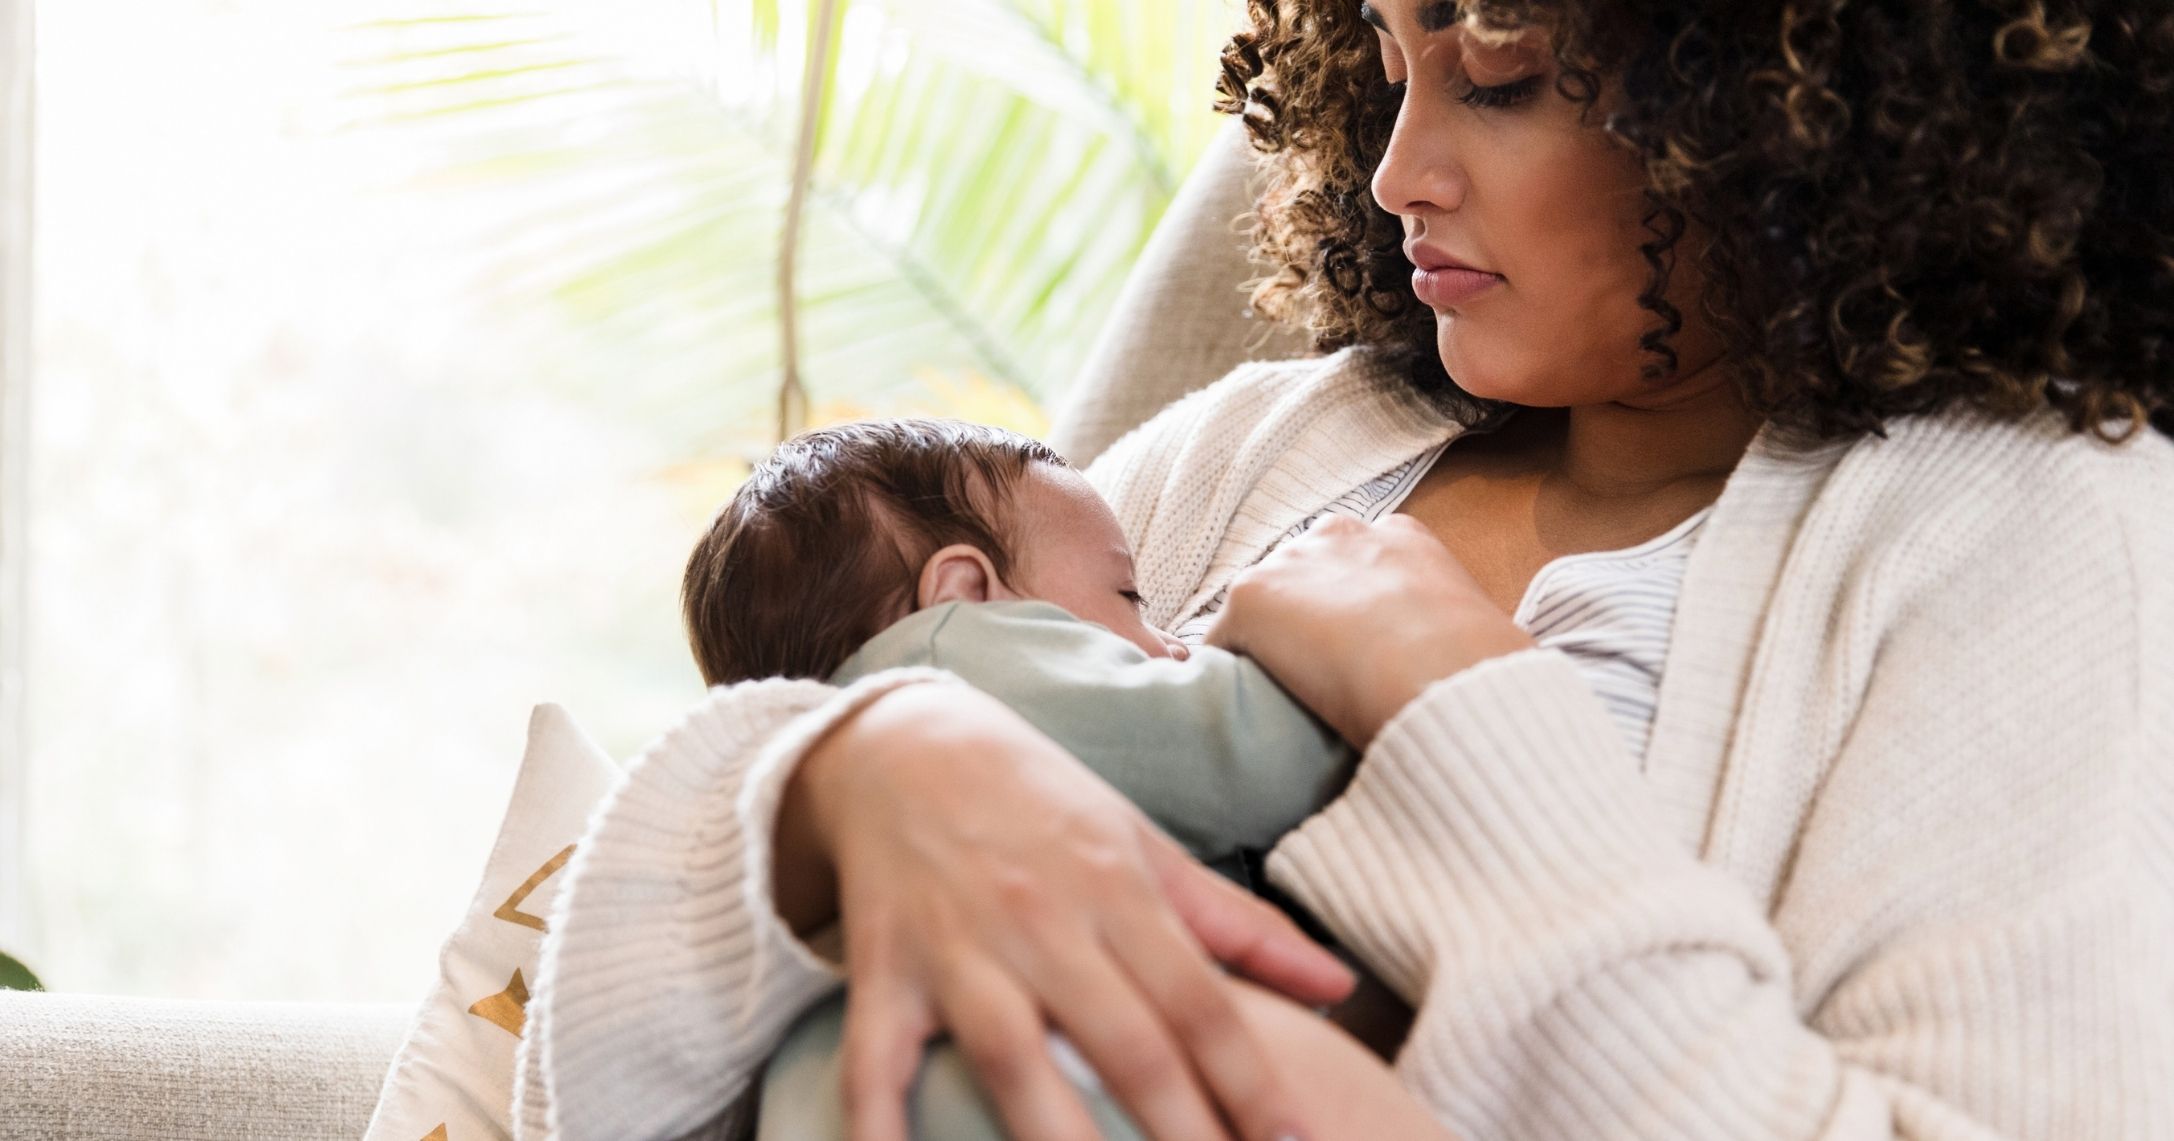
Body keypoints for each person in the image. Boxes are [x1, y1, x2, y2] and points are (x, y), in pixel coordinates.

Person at [515, 1, 2174, 1138]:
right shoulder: (1265, 442)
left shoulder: (2031, 538)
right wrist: (849, 772)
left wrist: (1455, 715)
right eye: (1384, 62)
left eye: (1501, 71)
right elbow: (578, 1079)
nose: (1395, 172)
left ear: (1804, 108)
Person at [677, 416, 1382, 1139]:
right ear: (962, 593)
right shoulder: (960, 662)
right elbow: (1255, 749)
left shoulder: (804, 784)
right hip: (1023, 1077)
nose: (1171, 643)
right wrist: (1348, 626)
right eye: (1127, 596)